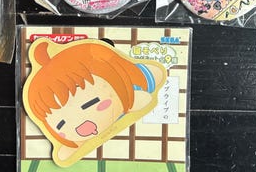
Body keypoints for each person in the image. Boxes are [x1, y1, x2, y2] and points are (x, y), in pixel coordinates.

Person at [24, 39, 166, 165]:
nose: (80, 125)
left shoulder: (134, 81)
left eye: (90, 103)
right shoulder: (75, 139)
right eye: (61, 124)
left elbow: (158, 74)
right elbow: (64, 154)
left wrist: (132, 98)